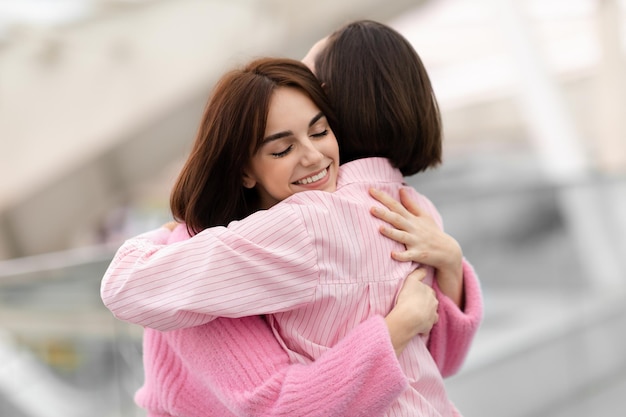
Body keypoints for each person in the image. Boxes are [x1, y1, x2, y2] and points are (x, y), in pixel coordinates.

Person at [102, 21, 483, 416]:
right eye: (282, 148)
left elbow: (125, 286)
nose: (292, 79)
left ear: (337, 102)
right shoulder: (416, 210)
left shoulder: (307, 225)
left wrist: (160, 241)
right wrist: (448, 268)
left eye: (307, 76)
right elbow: (441, 361)